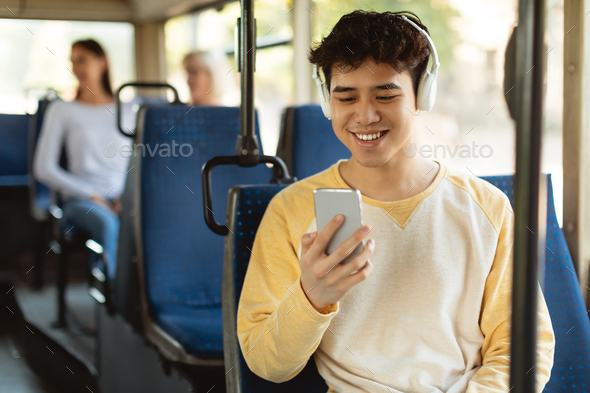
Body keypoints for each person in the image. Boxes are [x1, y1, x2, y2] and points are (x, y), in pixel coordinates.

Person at [237, 10, 554, 393]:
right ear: (328, 103)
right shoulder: (293, 210)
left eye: (385, 95)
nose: (365, 115)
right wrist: (311, 298)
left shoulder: (486, 207)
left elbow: (523, 349)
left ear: (423, 95)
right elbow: (267, 364)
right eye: (346, 97)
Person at [33, 39, 131, 281]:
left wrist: (124, 195)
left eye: (82, 59)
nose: (76, 67)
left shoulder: (129, 109)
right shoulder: (62, 110)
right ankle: (114, 295)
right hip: (81, 200)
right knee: (107, 224)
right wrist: (92, 194)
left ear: (103, 62)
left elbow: (136, 160)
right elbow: (43, 168)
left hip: (123, 196)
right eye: (72, 61)